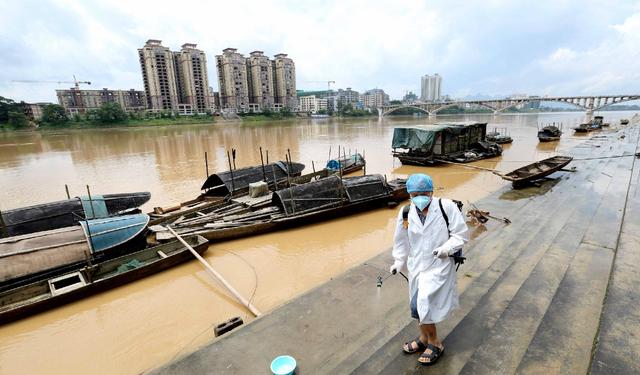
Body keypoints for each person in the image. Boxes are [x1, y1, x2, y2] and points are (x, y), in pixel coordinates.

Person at [390, 173, 468, 365]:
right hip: (417, 266)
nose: (420, 197)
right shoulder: (406, 212)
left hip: (439, 265)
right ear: (409, 194)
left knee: (422, 303)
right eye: (415, 194)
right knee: (415, 306)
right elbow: (401, 241)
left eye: (424, 193)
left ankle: (435, 343)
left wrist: (445, 249)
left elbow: (461, 235)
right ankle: (423, 338)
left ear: (432, 191)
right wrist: (398, 262)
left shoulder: (446, 207)